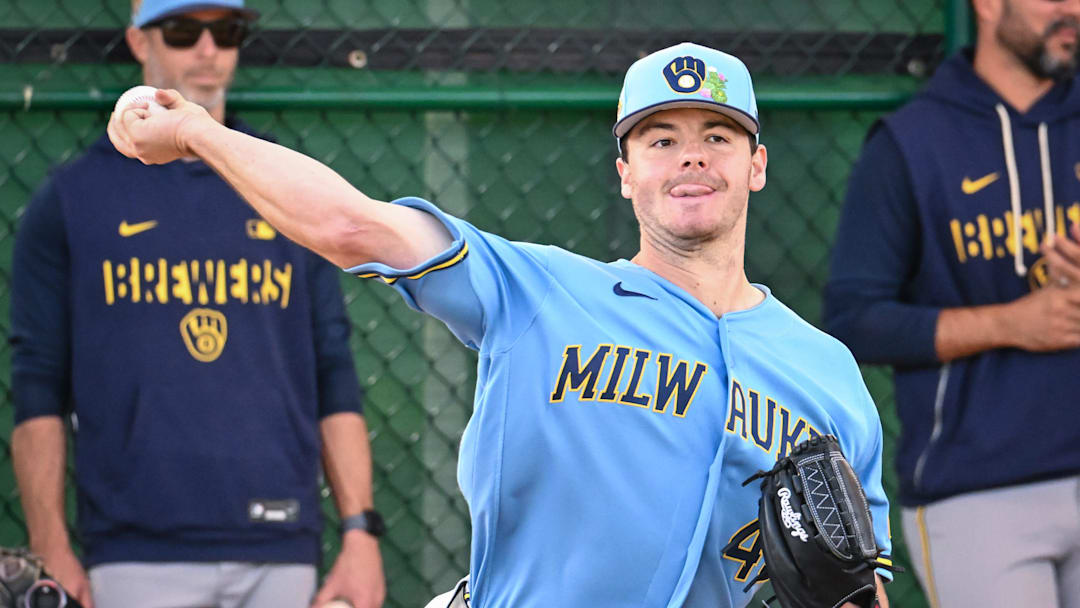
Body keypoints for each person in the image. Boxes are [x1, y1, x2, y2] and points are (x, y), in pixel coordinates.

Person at [107, 42, 895, 608]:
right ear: (625, 174)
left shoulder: (825, 371)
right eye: (662, 140)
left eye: (717, 137)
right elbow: (354, 227)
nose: (691, 158)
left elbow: (868, 588)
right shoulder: (537, 291)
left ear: (757, 164)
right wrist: (197, 134)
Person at [9, 1, 386, 607]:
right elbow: (37, 384)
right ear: (139, 42)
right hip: (135, 550)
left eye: (227, 31)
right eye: (184, 32)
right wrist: (49, 539)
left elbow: (332, 370)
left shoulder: (286, 187)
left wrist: (360, 531)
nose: (209, 51)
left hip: (280, 541)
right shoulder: (72, 199)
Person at [824, 0, 1080, 605]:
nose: (1073, 9)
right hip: (977, 489)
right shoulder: (911, 142)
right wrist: (1013, 323)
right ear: (989, 5)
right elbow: (856, 321)